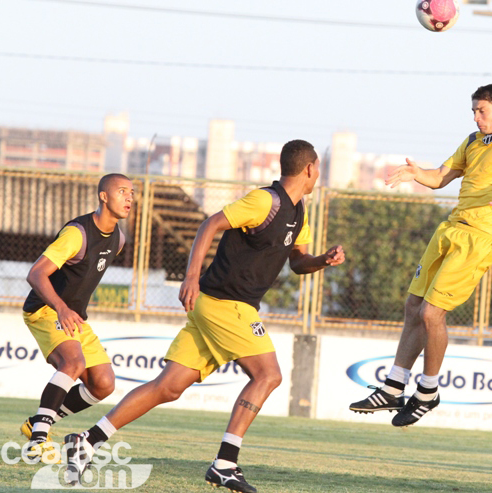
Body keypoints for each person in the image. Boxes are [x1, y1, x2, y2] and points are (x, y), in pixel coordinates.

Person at [65, 140, 345, 492]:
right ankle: (225, 463)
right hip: (227, 304)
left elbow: (298, 261)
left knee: (167, 387)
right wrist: (192, 276)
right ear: (309, 168)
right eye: (318, 168)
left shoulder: (299, 210)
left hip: (219, 306)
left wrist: (323, 259)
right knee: (268, 375)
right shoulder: (265, 201)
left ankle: (87, 440)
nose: (318, 174)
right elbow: (210, 224)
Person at [349, 84, 492, 427]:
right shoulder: (471, 141)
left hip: (480, 237)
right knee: (413, 307)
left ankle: (427, 391)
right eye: (474, 112)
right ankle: (393, 387)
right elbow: (439, 177)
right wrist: (416, 174)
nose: (477, 117)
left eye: (482, 111)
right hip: (450, 229)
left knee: (431, 314)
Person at [20, 173, 133, 459]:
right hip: (46, 309)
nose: (130, 198)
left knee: (103, 383)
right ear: (103, 196)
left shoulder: (119, 238)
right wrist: (61, 307)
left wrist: (71, 311)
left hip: (74, 316)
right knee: (73, 362)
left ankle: (38, 422)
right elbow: (36, 273)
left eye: (132, 193)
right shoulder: (77, 233)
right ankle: (38, 440)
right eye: (122, 191)